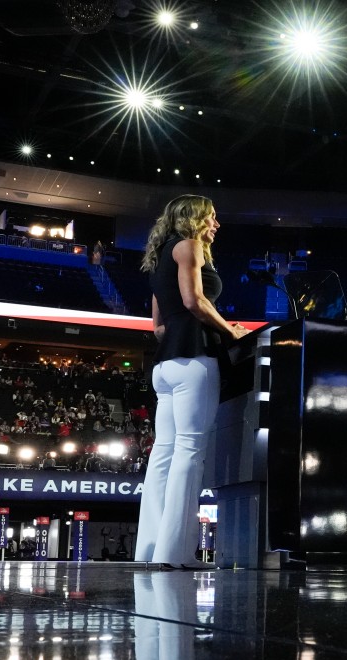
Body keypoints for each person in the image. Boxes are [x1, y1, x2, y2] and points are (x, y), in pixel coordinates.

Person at [134, 195, 250, 570]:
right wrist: (229, 330)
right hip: (194, 360)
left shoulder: (157, 258)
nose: (216, 224)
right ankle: (176, 555)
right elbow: (194, 300)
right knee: (189, 453)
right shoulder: (190, 246)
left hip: (165, 366)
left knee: (163, 456)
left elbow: (159, 327)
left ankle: (150, 552)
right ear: (194, 218)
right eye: (212, 217)